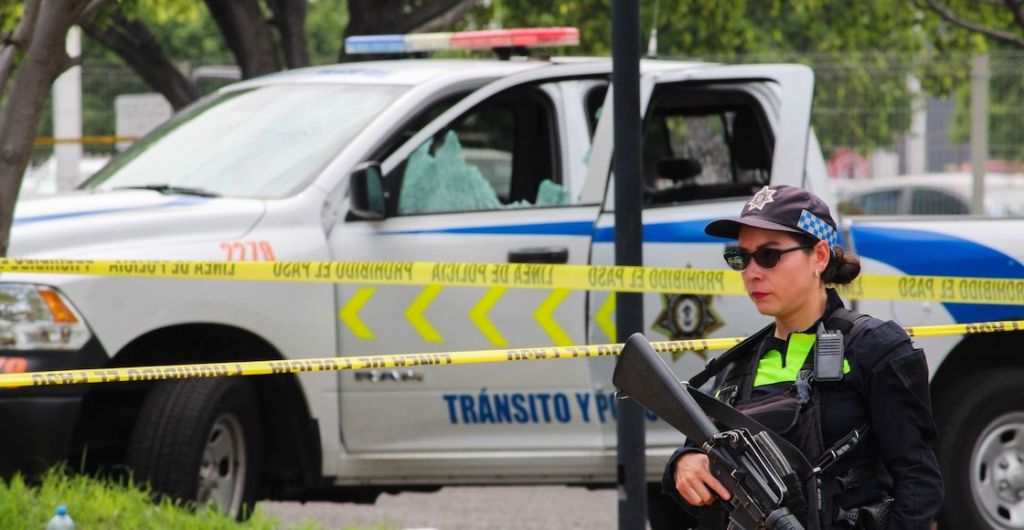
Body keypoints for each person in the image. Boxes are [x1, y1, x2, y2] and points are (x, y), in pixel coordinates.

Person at [660, 185, 943, 529]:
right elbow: (697, 453)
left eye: (769, 256)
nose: (752, 272)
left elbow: (919, 484)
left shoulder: (875, 346)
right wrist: (684, 463)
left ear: (820, 256)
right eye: (740, 257)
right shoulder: (737, 365)